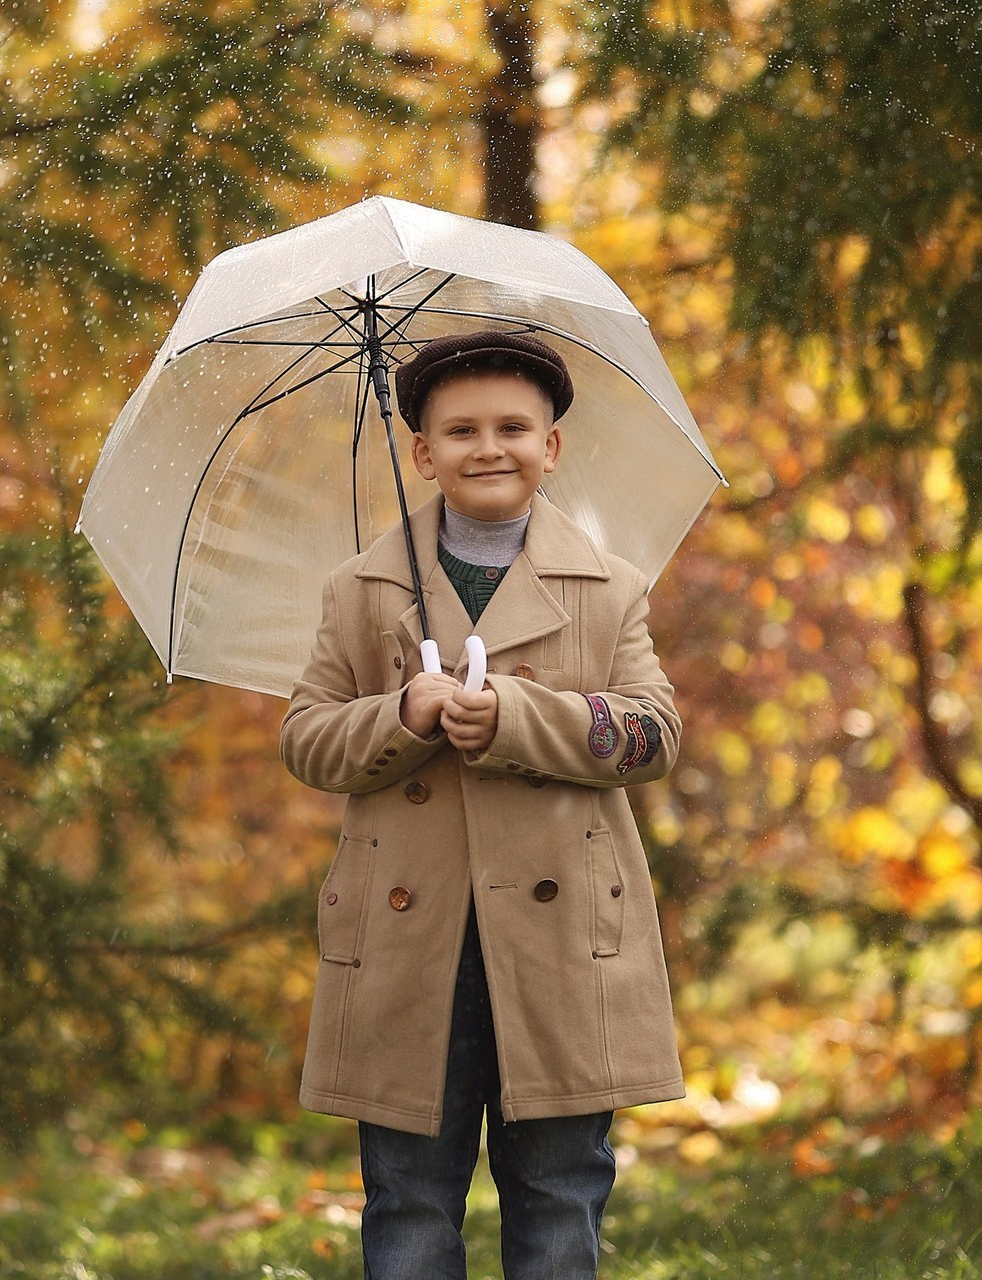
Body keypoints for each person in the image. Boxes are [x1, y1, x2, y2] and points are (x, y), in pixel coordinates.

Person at [279, 330, 683, 1280]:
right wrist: (403, 714)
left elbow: (653, 735)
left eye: (513, 427)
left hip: (559, 942)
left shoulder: (609, 590)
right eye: (460, 430)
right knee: (411, 1198)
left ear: (552, 446)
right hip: (409, 939)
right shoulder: (361, 590)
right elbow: (306, 738)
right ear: (422, 452)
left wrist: (518, 716)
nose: (487, 447)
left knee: (558, 1190)